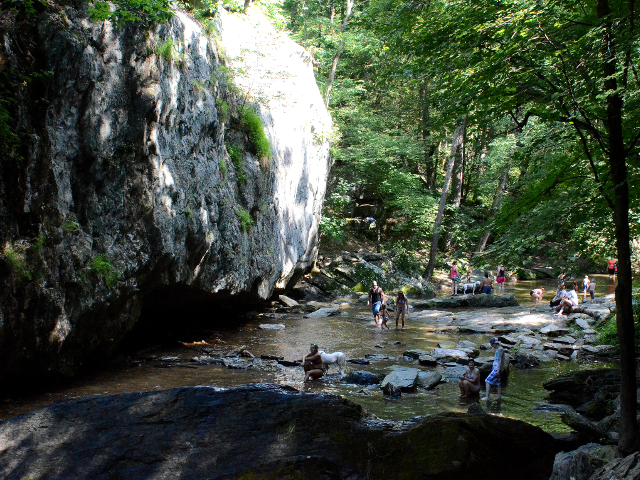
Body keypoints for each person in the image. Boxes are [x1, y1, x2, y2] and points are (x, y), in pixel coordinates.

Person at [482, 338, 504, 404]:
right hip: (497, 368)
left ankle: (487, 397)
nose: (492, 346)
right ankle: (499, 398)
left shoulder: (500, 349)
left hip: (497, 369)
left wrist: (498, 370)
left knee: (487, 381)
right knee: (498, 384)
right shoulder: (499, 349)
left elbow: (500, 360)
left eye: (492, 344)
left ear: (494, 343)